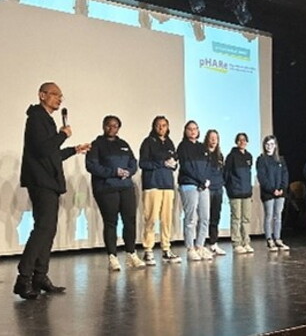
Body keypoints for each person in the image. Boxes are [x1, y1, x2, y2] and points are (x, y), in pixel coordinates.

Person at [14, 82, 90, 300]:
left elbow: (52, 154)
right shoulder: (36, 118)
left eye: (61, 96)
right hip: (41, 181)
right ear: (42, 95)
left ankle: (40, 276)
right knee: (43, 229)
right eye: (55, 95)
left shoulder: (46, 119)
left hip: (49, 181)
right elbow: (43, 150)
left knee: (48, 230)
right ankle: (24, 278)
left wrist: (74, 150)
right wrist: (63, 134)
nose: (59, 99)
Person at [85, 115, 146, 271]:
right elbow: (92, 166)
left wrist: (129, 171)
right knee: (111, 222)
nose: (112, 128)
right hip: (106, 189)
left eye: (115, 126)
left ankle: (131, 253)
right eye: (109, 125)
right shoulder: (97, 144)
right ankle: (112, 257)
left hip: (126, 187)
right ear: (103, 126)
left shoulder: (123, 144)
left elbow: (133, 162)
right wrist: (114, 172)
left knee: (130, 220)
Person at [139, 116, 182, 265]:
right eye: (158, 125)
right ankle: (148, 250)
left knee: (167, 219)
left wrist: (173, 164)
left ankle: (166, 249)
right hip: (153, 184)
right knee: (151, 218)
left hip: (167, 184)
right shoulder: (148, 142)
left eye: (164, 125)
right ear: (154, 126)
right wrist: (162, 163)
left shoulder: (170, 143)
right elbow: (143, 163)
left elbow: (175, 163)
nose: (161, 128)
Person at [177, 120, 213, 261]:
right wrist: (200, 180)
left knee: (205, 217)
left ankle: (200, 245)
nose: (193, 131)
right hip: (189, 184)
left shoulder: (202, 147)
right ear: (185, 131)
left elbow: (208, 165)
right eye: (190, 129)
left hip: (203, 186)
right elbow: (186, 167)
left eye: (195, 129)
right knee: (191, 218)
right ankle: (190, 247)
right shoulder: (182, 147)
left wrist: (207, 180)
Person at [257, 135, 290, 251]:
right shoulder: (261, 159)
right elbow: (262, 177)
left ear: (275, 145)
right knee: (269, 215)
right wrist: (272, 190)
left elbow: (285, 175)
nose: (269, 147)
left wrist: (281, 188)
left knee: (278, 216)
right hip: (268, 193)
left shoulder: (280, 159)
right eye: (267, 144)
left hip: (281, 192)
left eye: (271, 144)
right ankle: (269, 239)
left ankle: (278, 238)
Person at [225, 133, 254, 254]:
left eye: (244, 140)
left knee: (246, 218)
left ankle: (246, 242)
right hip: (235, 192)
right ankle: (236, 243)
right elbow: (226, 174)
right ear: (236, 142)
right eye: (240, 140)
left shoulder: (249, 156)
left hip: (246, 192)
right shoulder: (231, 156)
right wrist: (230, 188)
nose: (242, 142)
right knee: (236, 218)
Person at [204, 129, 226, 256]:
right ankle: (201, 244)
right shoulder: (203, 153)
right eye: (211, 137)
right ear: (207, 139)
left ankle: (213, 243)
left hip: (218, 188)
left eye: (215, 138)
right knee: (204, 217)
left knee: (215, 217)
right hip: (207, 189)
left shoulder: (219, 155)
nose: (213, 140)